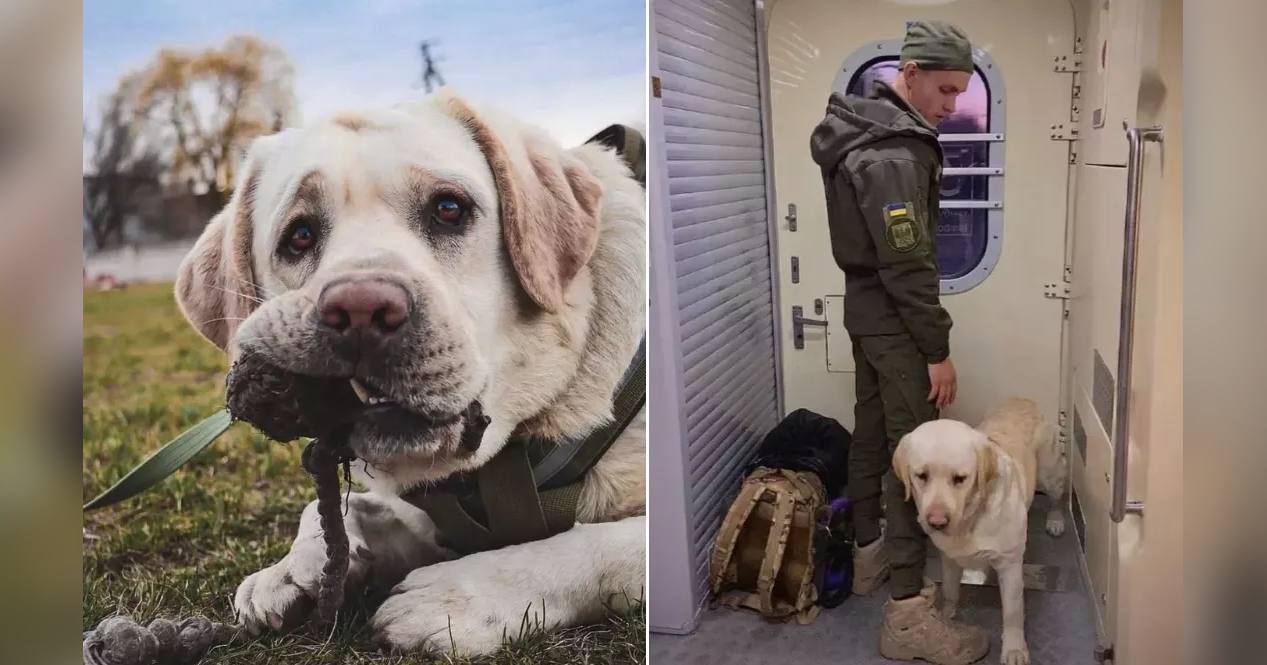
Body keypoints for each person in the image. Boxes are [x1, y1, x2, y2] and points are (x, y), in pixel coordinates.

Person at [810, 19, 988, 664]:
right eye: (943, 90)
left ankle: (867, 557)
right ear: (908, 74)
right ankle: (909, 615)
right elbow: (908, 264)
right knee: (920, 456)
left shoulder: (865, 131)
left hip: (867, 312)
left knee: (873, 435)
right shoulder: (893, 153)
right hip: (894, 318)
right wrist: (936, 349)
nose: (950, 107)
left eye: (961, 94)